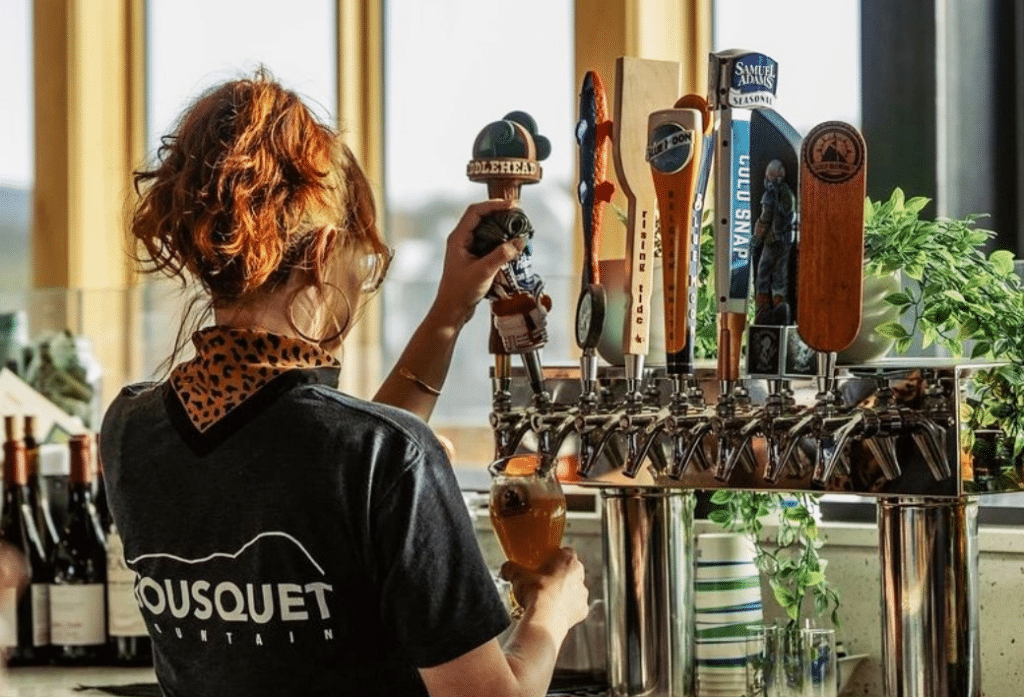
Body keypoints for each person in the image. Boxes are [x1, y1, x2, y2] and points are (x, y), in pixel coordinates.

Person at [99, 69, 589, 697]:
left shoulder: (129, 430)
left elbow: (321, 472)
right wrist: (552, 612)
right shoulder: (382, 456)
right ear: (328, 249)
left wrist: (450, 311)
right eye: (366, 256)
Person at [752, 159, 796, 326]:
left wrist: (756, 239)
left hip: (772, 241)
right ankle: (781, 307)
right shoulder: (789, 194)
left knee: (763, 272)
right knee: (780, 276)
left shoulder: (770, 195)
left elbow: (765, 218)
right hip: (786, 242)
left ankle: (763, 307)